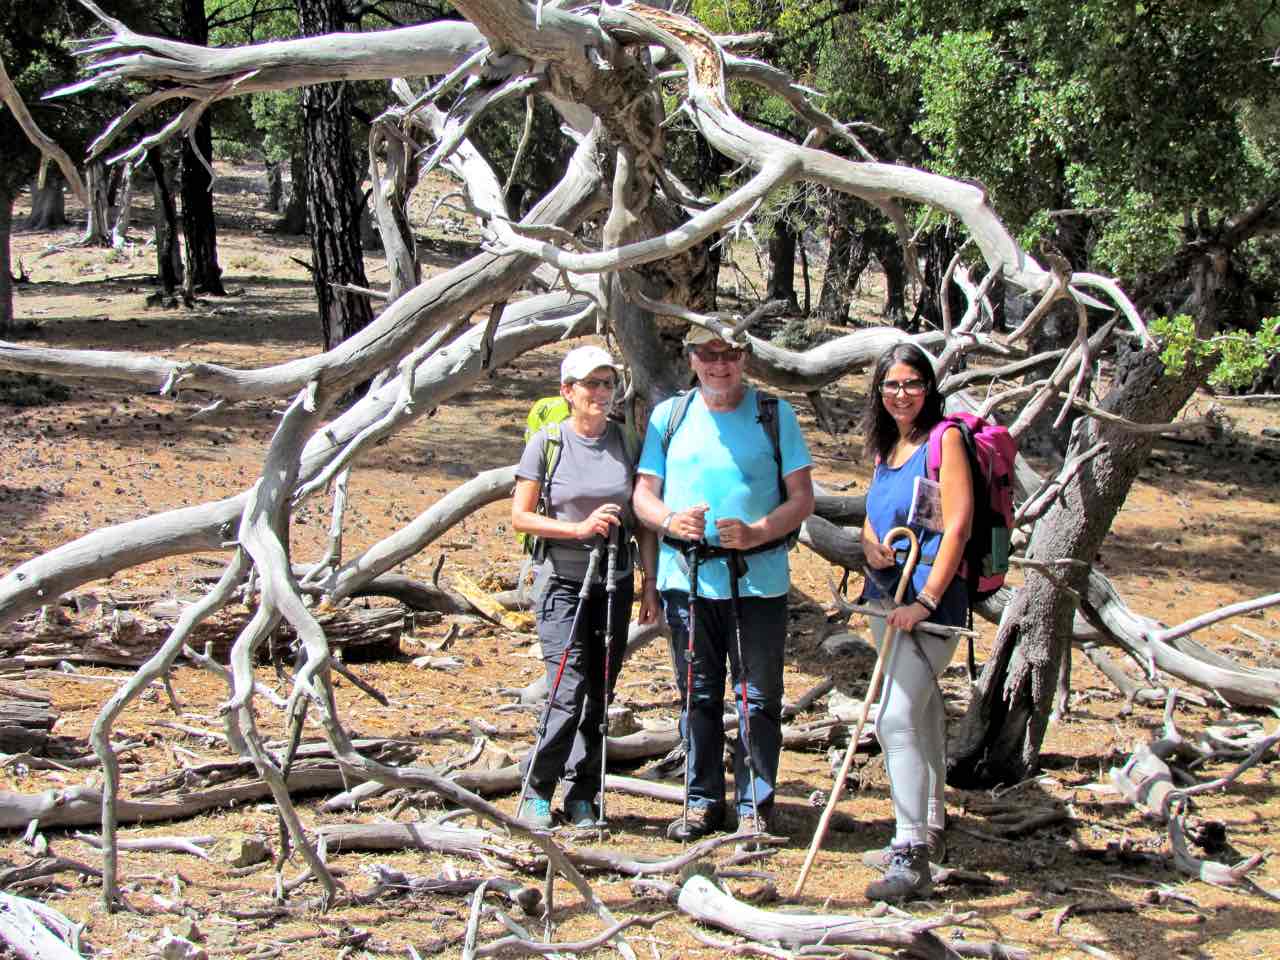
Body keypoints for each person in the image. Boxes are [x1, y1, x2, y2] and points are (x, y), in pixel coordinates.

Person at [633, 326, 814, 841]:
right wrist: (671, 522)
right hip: (686, 579)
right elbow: (644, 495)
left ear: (744, 357)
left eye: (730, 353)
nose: (720, 364)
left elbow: (801, 497)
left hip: (759, 581)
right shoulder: (670, 417)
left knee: (758, 697)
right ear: (691, 358)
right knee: (697, 693)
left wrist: (758, 531)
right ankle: (702, 802)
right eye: (708, 354)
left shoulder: (773, 415)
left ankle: (756, 805)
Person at [511, 344, 659, 828]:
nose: (600, 392)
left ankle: (583, 795)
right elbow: (521, 516)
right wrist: (576, 530)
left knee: (600, 691)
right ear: (567, 391)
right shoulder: (548, 442)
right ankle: (537, 790)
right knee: (566, 688)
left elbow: (643, 520)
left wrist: (649, 584)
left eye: (606, 383)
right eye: (590, 384)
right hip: (562, 583)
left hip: (614, 583)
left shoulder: (625, 440)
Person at [858, 341, 973, 901]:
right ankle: (930, 826)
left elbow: (956, 527)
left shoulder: (943, 439)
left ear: (929, 387)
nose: (901, 394)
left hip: (927, 604)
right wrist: (870, 545)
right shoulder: (888, 446)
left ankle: (909, 851)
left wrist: (925, 601)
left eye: (911, 384)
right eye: (891, 385)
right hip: (884, 596)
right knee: (923, 716)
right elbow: (870, 517)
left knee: (894, 719)